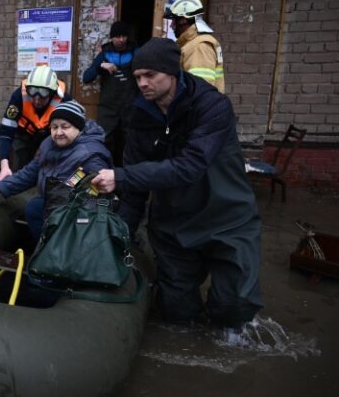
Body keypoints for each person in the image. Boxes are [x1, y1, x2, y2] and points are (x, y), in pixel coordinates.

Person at [91, 38, 262, 330]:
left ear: (171, 72)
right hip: (174, 225)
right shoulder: (139, 116)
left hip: (226, 218)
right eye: (137, 77)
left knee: (233, 308)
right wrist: (120, 238)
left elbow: (191, 166)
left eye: (150, 76)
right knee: (176, 311)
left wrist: (120, 175)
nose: (143, 83)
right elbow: (134, 193)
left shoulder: (212, 106)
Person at [0, 101, 111, 244]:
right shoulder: (49, 145)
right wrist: (0, 188)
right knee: (34, 207)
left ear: (78, 127)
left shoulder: (91, 155)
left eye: (65, 127)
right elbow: (31, 172)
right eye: (54, 127)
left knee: (38, 208)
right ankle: (44, 248)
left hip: (77, 213)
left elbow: (95, 195)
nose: (58, 132)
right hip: (54, 203)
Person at [0, 65, 72, 182]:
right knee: (20, 170)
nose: (37, 100)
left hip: (50, 136)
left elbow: (73, 132)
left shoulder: (64, 100)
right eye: (33, 93)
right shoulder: (18, 97)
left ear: (52, 92)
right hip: (24, 134)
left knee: (49, 168)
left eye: (43, 95)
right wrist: (4, 165)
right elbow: (6, 133)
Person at [82, 21, 139, 166]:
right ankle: (104, 172)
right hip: (108, 107)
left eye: (124, 36)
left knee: (128, 141)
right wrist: (101, 66)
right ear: (112, 37)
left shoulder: (135, 51)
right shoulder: (105, 53)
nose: (121, 39)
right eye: (118, 36)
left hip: (130, 106)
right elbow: (86, 78)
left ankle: (125, 177)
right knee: (105, 140)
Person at [163, 0, 225, 93]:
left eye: (174, 20)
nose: (171, 26)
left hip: (198, 108)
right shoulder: (193, 43)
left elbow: (200, 89)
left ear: (183, 20)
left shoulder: (199, 46)